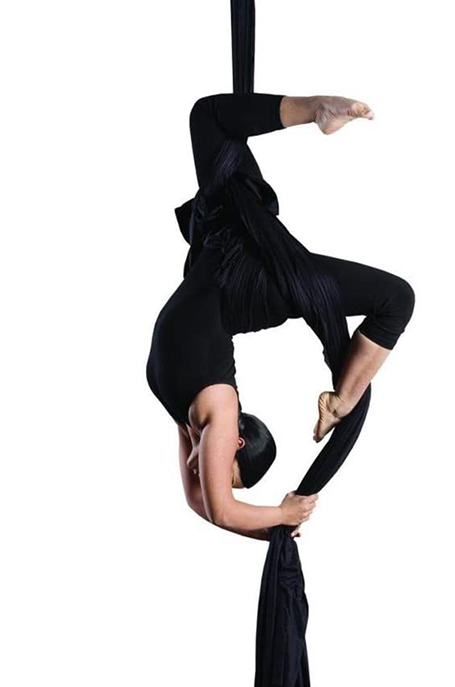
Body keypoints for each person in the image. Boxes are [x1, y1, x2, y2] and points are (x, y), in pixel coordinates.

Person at [146, 93, 414, 541]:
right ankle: (343, 400)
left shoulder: (185, 417)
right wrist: (281, 515)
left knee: (209, 118)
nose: (205, 474)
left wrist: (269, 533)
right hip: (246, 284)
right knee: (396, 298)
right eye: (225, 471)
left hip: (222, 238)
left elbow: (198, 502)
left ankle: (317, 112)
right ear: (234, 442)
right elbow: (220, 509)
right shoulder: (218, 412)